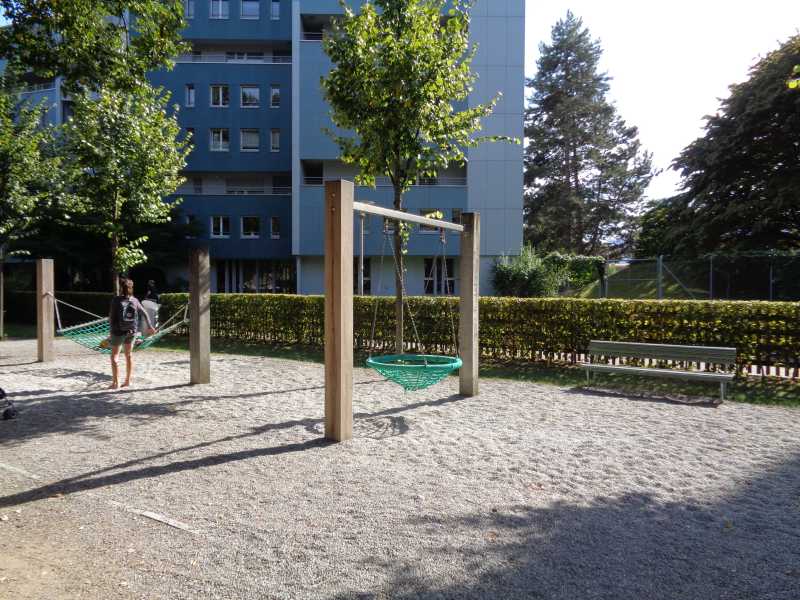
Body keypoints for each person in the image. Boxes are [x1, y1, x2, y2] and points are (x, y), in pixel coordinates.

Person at [108, 277, 156, 389]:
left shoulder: (116, 300)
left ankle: (116, 383)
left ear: (121, 288)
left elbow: (112, 318)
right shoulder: (134, 300)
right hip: (131, 331)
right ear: (131, 288)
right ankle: (127, 381)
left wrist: (111, 332)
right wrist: (150, 327)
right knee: (129, 355)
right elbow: (144, 313)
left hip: (118, 332)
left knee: (114, 356)